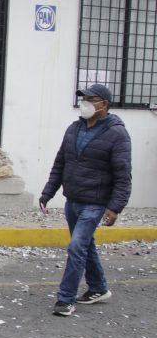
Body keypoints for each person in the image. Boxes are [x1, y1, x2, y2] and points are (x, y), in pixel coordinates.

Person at [39, 83, 132, 317]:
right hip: (73, 200)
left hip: (96, 202)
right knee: (85, 245)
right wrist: (48, 193)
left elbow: (123, 174)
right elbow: (60, 163)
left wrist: (114, 207)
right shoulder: (73, 129)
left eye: (91, 99)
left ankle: (65, 299)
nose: (85, 104)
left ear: (104, 105)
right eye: (83, 99)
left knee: (77, 246)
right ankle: (98, 288)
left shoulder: (117, 134)